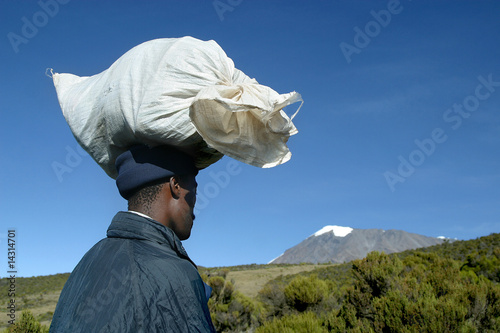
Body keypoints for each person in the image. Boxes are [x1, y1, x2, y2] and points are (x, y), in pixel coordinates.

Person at [49, 144, 216, 332]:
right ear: (175, 186)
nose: (195, 208)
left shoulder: (87, 262)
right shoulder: (173, 273)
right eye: (194, 191)